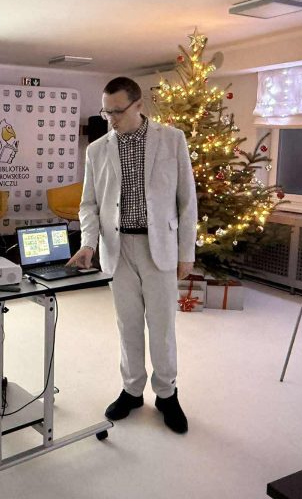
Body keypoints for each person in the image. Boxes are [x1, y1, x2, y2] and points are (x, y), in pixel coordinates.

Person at [67, 77, 197, 433]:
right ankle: (132, 389)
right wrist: (88, 244)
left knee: (162, 326)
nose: (111, 119)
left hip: (160, 247)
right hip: (117, 248)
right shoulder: (97, 150)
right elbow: (89, 205)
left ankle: (167, 394)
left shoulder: (172, 140)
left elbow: (187, 201)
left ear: (139, 105)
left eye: (117, 111)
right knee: (128, 325)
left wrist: (187, 251)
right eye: (106, 112)